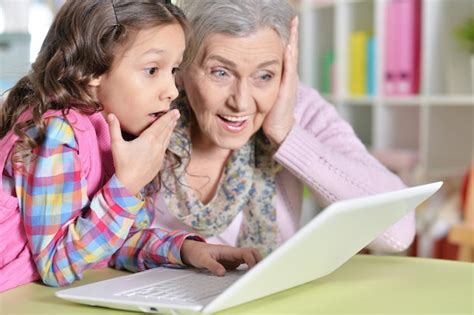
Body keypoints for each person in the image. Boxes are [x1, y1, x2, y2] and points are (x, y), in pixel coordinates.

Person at [0, 0, 260, 292]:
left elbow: (111, 243)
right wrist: (126, 185)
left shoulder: (122, 133)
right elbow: (57, 265)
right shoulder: (57, 133)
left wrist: (185, 251)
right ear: (91, 70)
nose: (172, 90)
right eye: (152, 70)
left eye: (173, 70)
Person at [149, 0, 415, 256]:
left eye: (264, 75)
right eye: (220, 72)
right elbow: (113, 241)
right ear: (182, 68)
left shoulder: (297, 108)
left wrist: (286, 132)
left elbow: (398, 230)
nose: (241, 101)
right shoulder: (150, 108)